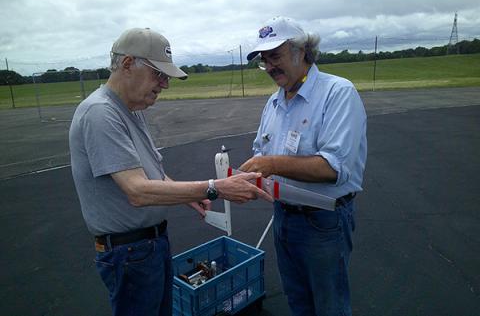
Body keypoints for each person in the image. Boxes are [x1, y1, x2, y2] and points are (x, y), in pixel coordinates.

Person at [69, 27, 273, 316]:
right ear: (128, 64)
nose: (164, 84)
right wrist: (215, 187)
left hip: (148, 247)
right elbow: (137, 191)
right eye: (158, 74)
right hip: (130, 253)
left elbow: (153, 174)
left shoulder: (132, 110)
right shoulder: (101, 113)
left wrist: (184, 196)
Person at [239, 17, 367, 316]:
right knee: (297, 301)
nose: (269, 66)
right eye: (264, 60)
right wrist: (246, 179)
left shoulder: (338, 93)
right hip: (284, 216)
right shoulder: (274, 102)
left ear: (301, 51)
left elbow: (333, 168)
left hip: (323, 222)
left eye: (275, 56)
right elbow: (260, 151)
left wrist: (269, 163)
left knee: (329, 306)